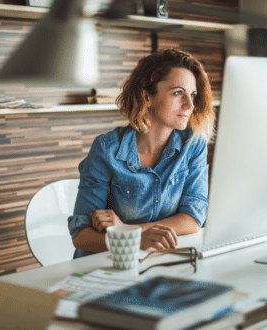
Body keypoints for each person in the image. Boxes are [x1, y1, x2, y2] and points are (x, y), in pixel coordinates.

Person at [67, 48, 215, 259]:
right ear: (147, 96)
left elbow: (192, 219)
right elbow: (81, 236)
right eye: (177, 93)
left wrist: (129, 230)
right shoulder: (106, 149)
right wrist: (136, 241)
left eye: (192, 95)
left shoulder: (193, 144)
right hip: (105, 266)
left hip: (155, 261)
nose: (189, 105)